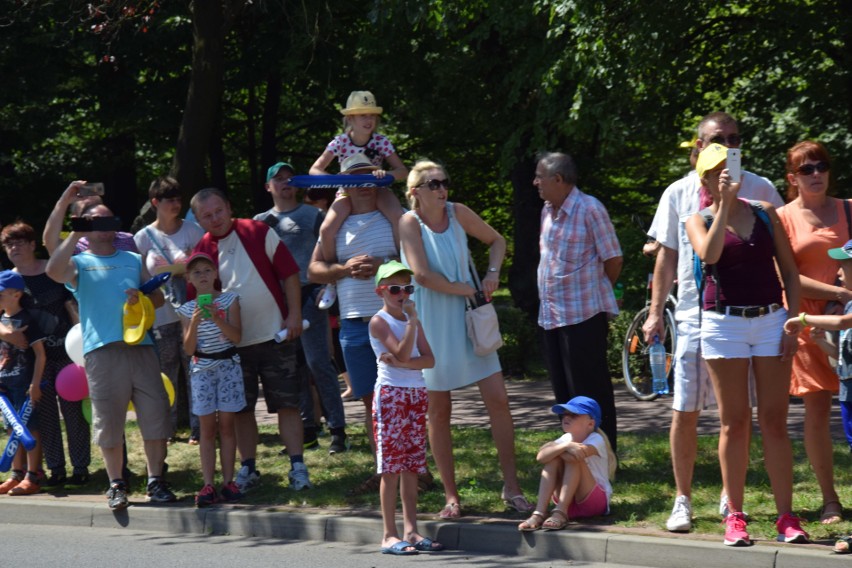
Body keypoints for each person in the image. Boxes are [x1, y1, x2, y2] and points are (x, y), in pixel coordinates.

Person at [642, 111, 785, 532]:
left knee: (742, 412)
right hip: (692, 312)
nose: (727, 145)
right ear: (698, 147)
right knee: (686, 409)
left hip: (755, 315)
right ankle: (682, 499)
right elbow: (667, 255)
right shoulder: (679, 192)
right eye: (717, 139)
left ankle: (730, 496)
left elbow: (780, 255)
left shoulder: (761, 189)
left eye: (734, 138)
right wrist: (655, 313)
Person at [686, 143, 806, 547]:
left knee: (774, 421)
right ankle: (735, 516)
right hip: (723, 325)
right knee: (734, 423)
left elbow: (790, 271)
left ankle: (786, 516)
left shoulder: (764, 213)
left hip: (772, 319)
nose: (725, 175)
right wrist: (721, 204)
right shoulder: (698, 219)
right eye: (715, 172)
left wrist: (794, 320)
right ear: (704, 180)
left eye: (729, 167)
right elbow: (711, 254)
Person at [399, 160, 530, 518]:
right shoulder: (409, 222)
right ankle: (451, 496)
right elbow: (421, 275)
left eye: (445, 181)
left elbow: (497, 241)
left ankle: (512, 488)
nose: (442, 189)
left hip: (470, 317)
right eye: (433, 184)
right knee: (439, 412)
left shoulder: (458, 213)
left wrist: (491, 274)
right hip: (434, 321)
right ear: (415, 192)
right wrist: (462, 288)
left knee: (499, 400)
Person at [45, 202, 175, 510]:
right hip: (102, 352)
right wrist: (74, 228)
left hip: (141, 348)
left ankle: (156, 481)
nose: (103, 225)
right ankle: (116, 484)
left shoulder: (133, 259)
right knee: (108, 422)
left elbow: (157, 298)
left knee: (155, 415)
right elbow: (52, 270)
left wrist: (143, 296)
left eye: (108, 219)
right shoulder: (78, 262)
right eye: (94, 221)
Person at [190, 187, 310, 492]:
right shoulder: (201, 251)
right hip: (233, 346)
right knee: (241, 410)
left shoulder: (257, 230)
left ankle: (298, 466)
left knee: (287, 404)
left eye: (218, 211)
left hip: (276, 335)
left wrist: (294, 314)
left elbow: (290, 274)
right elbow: (198, 302)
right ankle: (248, 468)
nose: (215, 219)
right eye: (207, 215)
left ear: (229, 207)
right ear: (199, 220)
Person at [308, 157, 402, 463]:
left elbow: (415, 263)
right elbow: (313, 271)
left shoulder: (393, 218)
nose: (363, 185)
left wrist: (382, 266)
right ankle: (383, 470)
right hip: (353, 324)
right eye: (354, 179)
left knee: (401, 397)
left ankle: (414, 470)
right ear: (344, 184)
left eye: (368, 178)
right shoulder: (334, 226)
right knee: (369, 401)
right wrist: (343, 269)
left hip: (394, 320)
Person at [255, 162, 348, 454]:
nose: (284, 183)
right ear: (268, 187)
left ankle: (338, 429)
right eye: (277, 179)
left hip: (309, 296)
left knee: (318, 362)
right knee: (291, 368)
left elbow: (330, 252)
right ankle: (307, 430)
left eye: (289, 178)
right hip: (277, 302)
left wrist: (328, 284)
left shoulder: (312, 215)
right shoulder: (260, 222)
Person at [533, 151, 622, 453]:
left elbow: (613, 258)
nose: (535, 183)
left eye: (540, 177)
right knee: (565, 394)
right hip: (551, 316)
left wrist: (595, 293)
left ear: (558, 179)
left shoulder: (590, 209)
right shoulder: (547, 210)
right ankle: (573, 452)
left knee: (592, 392)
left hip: (584, 316)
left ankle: (603, 454)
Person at [776, 140, 845, 525]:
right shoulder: (784, 217)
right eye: (806, 170)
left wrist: (845, 300)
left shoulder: (849, 210)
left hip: (848, 321)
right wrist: (839, 291)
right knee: (818, 411)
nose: (816, 174)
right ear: (793, 178)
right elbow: (786, 277)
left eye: (820, 166)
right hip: (806, 324)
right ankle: (830, 499)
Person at [1, 223, 90, 488]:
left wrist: (82, 343)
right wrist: (6, 335)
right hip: (31, 361)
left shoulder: (52, 269)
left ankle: (81, 467)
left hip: (65, 351)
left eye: (20, 242)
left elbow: (71, 305)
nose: (14, 248)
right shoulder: (6, 279)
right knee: (45, 416)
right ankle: (55, 469)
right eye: (9, 244)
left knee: (73, 412)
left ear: (32, 244)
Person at [368, 261, 443, 555]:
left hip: (415, 393)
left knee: (412, 465)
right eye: (395, 289)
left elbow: (429, 360)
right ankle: (389, 534)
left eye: (407, 288)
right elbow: (400, 349)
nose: (402, 294)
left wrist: (404, 362)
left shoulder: (413, 320)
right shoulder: (379, 321)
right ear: (381, 291)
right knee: (392, 467)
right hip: (391, 396)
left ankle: (410, 530)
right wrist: (411, 323)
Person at [133, 177, 205, 444]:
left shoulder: (193, 232)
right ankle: (167, 429)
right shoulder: (142, 238)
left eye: (178, 199)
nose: (176, 204)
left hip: (192, 313)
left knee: (195, 370)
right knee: (165, 375)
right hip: (160, 316)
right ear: (155, 203)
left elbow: (208, 268)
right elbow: (138, 278)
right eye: (169, 200)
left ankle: (200, 429)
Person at [177, 252, 245, 507]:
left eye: (207, 270)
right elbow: (188, 349)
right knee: (206, 430)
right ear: (189, 279)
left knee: (227, 426)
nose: (203, 276)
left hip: (228, 366)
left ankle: (228, 481)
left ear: (215, 274)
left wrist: (217, 317)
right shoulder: (185, 309)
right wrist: (194, 322)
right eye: (196, 272)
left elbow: (237, 337)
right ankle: (208, 483)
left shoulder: (229, 300)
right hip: (202, 369)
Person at [309, 91, 408, 265]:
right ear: (350, 119)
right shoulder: (339, 142)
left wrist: (386, 175)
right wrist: (336, 181)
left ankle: (404, 262)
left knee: (399, 217)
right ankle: (333, 274)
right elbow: (314, 169)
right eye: (363, 115)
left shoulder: (381, 141)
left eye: (372, 116)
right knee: (326, 229)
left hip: (377, 189)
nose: (369, 120)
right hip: (348, 192)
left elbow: (402, 171)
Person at [518, 396, 615, 532]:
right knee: (553, 459)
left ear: (590, 424)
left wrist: (555, 449)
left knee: (570, 459)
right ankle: (539, 513)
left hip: (593, 502)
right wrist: (564, 446)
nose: (566, 417)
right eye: (565, 413)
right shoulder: (566, 439)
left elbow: (576, 455)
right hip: (570, 503)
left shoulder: (596, 439)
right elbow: (541, 457)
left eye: (574, 415)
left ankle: (560, 512)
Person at [0, 270, 46, 496]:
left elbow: (40, 354)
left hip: (24, 384)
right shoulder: (1, 320)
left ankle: (32, 475)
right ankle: (16, 474)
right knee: (11, 429)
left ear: (16, 294)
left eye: (2, 293)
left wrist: (35, 384)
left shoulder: (28, 319)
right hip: (4, 386)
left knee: (29, 427)